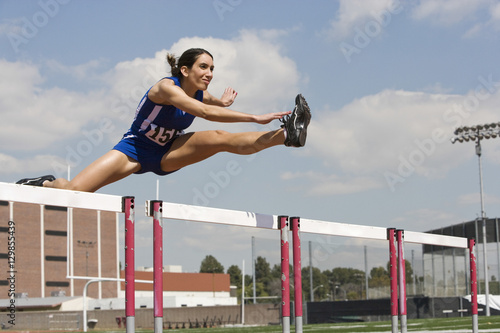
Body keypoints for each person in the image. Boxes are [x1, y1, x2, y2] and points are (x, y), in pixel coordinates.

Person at [17, 48, 311, 193]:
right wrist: (253, 117)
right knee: (73, 193)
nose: (210, 73)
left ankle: (286, 134)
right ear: (184, 69)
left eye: (212, 69)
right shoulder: (165, 88)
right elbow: (204, 111)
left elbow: (210, 104)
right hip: (133, 149)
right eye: (203, 67)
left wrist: (221, 100)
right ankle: (46, 183)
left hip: (169, 150)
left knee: (221, 138)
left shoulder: (197, 91)